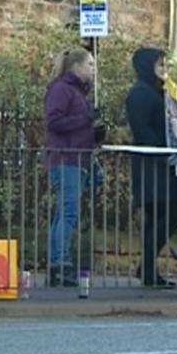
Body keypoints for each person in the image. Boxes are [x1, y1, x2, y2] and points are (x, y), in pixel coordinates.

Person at [44, 48, 104, 287]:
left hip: (78, 158)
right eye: (90, 64)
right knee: (67, 212)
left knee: (65, 212)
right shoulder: (62, 89)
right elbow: (54, 122)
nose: (93, 69)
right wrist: (86, 119)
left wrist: (94, 133)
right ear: (76, 67)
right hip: (66, 158)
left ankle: (58, 261)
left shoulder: (78, 93)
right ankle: (60, 262)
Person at [125, 47, 177, 287]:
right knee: (166, 214)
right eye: (160, 66)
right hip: (151, 164)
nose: (164, 70)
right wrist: (162, 148)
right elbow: (142, 128)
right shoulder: (140, 94)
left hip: (162, 163)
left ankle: (147, 268)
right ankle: (147, 266)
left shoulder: (159, 92)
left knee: (159, 217)